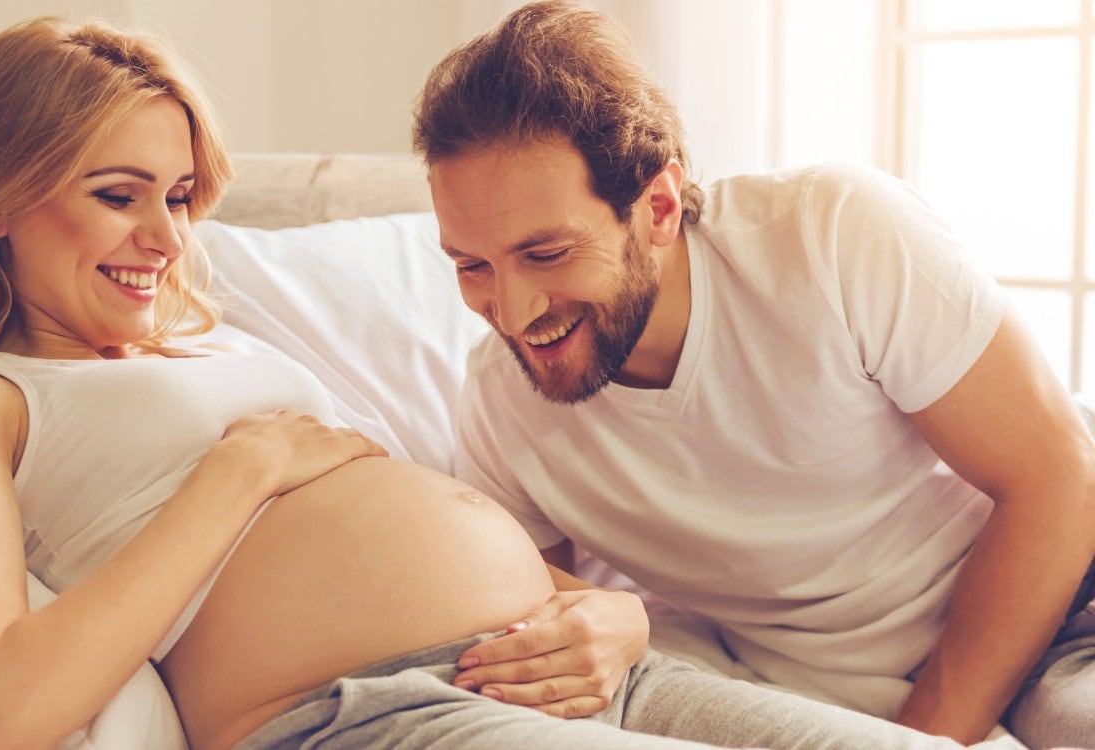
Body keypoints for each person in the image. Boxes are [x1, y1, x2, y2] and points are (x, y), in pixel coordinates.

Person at [0, 15, 1035, 750]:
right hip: (373, 712)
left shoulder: (206, 337)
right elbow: (8, 709)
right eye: (120, 193)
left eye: (180, 197)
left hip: (576, 674)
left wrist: (611, 618)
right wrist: (242, 473)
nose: (167, 238)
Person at [412, 2, 1095, 748]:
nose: (511, 312)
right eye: (472, 266)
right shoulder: (502, 406)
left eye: (546, 255)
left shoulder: (834, 236)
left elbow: (1059, 479)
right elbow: (527, 614)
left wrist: (927, 738)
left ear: (659, 208)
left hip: (1062, 604)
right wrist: (612, 616)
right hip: (805, 679)